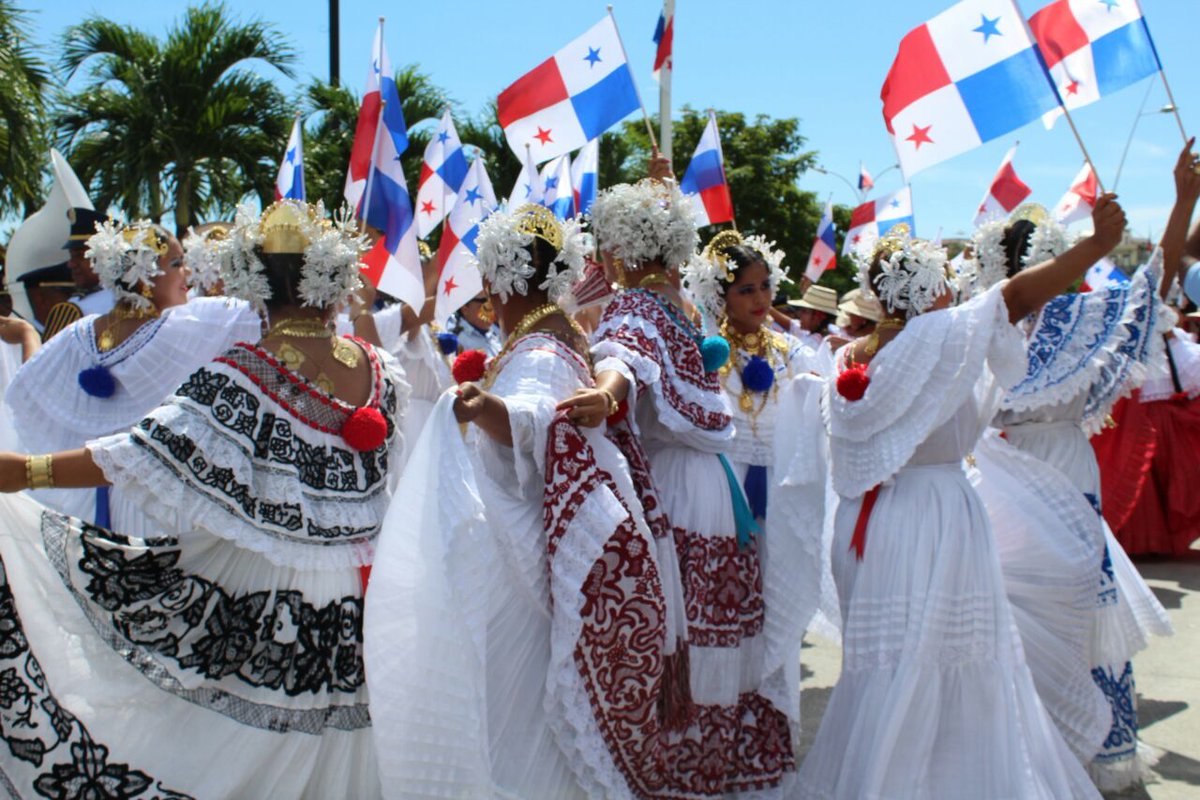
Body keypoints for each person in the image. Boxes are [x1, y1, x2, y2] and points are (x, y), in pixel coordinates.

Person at [0, 199, 408, 798]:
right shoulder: (380, 370)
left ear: (255, 285)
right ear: (334, 278)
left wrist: (25, 472)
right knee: (333, 740)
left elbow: (145, 453)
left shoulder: (244, 370)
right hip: (352, 599)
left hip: (263, 591)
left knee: (232, 743)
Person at [796, 199, 1129, 798]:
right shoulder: (942, 335)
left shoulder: (849, 355)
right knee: (949, 656)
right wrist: (1093, 248)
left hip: (870, 523)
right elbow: (1017, 297)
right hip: (938, 513)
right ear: (930, 290)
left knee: (886, 662)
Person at [365, 204, 668, 798]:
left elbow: (536, 414)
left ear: (502, 283)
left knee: (513, 710)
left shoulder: (539, 351)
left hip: (525, 562)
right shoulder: (560, 337)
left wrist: (484, 408)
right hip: (543, 551)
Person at [565, 172, 798, 795]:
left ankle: (679, 769)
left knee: (684, 632)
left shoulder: (639, 306)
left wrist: (606, 393)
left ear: (619, 251)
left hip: (674, 486)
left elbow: (625, 356)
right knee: (709, 629)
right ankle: (717, 763)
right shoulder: (677, 306)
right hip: (711, 486)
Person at [987, 146, 1199, 789]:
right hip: (997, 472)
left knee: (1075, 606)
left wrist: (1184, 201)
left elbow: (1150, 289)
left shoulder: (1078, 320)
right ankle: (1016, 747)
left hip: (1063, 469)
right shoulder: (983, 323)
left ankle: (1082, 747)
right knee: (1009, 607)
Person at [4, 219, 261, 528]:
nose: (188, 274)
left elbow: (31, 390)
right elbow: (270, 318)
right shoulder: (188, 326)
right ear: (146, 277)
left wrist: (28, 337)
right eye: (177, 264)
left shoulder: (77, 335)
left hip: (85, 505)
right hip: (160, 512)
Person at [41, 207, 114, 339]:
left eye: (80, 256)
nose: (71, 264)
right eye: (71, 256)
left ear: (106, 256)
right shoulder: (72, 302)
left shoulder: (123, 301)